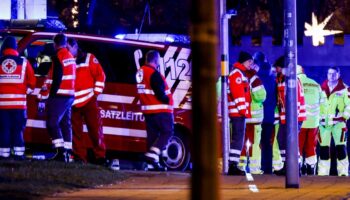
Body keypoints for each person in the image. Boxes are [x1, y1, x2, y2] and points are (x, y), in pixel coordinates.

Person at [67, 38, 106, 165]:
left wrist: (96, 93)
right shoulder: (66, 59)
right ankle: (79, 158)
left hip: (89, 100)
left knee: (95, 131)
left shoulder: (89, 58)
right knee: (75, 132)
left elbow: (100, 75)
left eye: (68, 49)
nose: (67, 51)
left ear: (75, 47)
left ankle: (100, 157)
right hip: (72, 102)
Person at [37, 33, 76, 162]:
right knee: (65, 123)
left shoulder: (58, 56)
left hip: (60, 95)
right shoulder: (70, 56)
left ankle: (60, 152)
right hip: (69, 95)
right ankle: (68, 153)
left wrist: (50, 95)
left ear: (55, 44)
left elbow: (56, 78)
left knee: (52, 123)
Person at [136, 50, 173, 171]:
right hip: (160, 109)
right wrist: (167, 99)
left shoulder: (140, 72)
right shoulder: (154, 73)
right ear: (156, 60)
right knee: (167, 132)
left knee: (153, 137)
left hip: (148, 110)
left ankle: (153, 164)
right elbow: (160, 93)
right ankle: (152, 155)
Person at [0, 36, 36, 160]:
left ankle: (4, 156)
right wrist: (23, 92)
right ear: (15, 47)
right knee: (18, 130)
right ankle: (19, 156)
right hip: (19, 106)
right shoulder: (24, 62)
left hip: (2, 106)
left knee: (4, 130)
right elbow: (32, 83)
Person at [273, 56, 306, 175]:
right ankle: (286, 165)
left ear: (282, 68)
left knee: (291, 141)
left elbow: (295, 100)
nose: (275, 70)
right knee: (281, 139)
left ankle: (296, 168)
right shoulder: (281, 79)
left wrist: (293, 118)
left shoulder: (291, 80)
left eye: (277, 67)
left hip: (293, 118)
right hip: (285, 118)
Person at [318, 67, 350, 176]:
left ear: (338, 74)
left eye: (334, 74)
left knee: (341, 147)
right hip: (323, 124)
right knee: (323, 148)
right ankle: (323, 173)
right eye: (329, 73)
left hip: (338, 123)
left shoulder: (345, 89)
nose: (331, 76)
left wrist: (345, 117)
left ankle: (343, 172)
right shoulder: (320, 88)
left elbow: (349, 105)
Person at [238, 59, 266, 174]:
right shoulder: (255, 79)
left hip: (242, 115)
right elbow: (261, 96)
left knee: (242, 142)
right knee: (255, 144)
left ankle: (240, 166)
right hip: (254, 118)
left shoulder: (239, 76)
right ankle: (254, 168)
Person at [227, 51, 253, 175]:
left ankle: (233, 163)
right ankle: (233, 165)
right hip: (238, 112)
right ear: (243, 61)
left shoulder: (239, 73)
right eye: (249, 62)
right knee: (238, 138)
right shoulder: (237, 74)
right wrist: (243, 110)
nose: (250, 65)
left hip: (238, 112)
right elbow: (238, 93)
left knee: (238, 138)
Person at [297, 65, 324, 175]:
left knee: (298, 145)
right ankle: (311, 168)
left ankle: (298, 167)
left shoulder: (296, 83)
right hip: (314, 121)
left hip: (300, 121)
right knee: (311, 146)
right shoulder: (315, 83)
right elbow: (323, 102)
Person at [256, 52, 277, 174]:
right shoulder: (273, 78)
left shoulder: (256, 78)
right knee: (268, 143)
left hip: (257, 116)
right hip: (270, 117)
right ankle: (267, 167)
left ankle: (257, 167)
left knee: (256, 143)